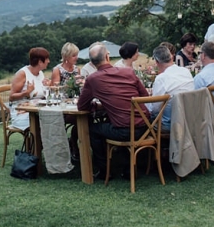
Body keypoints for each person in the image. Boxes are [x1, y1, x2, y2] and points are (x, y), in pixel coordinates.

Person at [77, 42, 150, 177]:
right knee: (114, 122)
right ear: (107, 57)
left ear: (92, 62)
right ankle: (126, 168)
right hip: (145, 126)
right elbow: (145, 97)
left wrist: (97, 106)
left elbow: (81, 106)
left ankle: (104, 170)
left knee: (93, 129)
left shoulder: (93, 79)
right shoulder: (128, 72)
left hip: (124, 131)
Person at [147, 45, 194, 130]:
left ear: (157, 62)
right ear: (171, 57)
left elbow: (155, 109)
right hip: (189, 119)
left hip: (170, 124)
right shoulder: (185, 71)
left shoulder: (161, 78)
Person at [9, 47, 52, 129]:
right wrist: (26, 92)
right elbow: (11, 97)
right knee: (45, 120)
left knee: (54, 117)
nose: (48, 61)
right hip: (22, 113)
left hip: (37, 110)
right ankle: (36, 137)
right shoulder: (22, 74)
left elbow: (41, 96)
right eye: (47, 59)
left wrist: (47, 87)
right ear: (40, 62)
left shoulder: (40, 73)